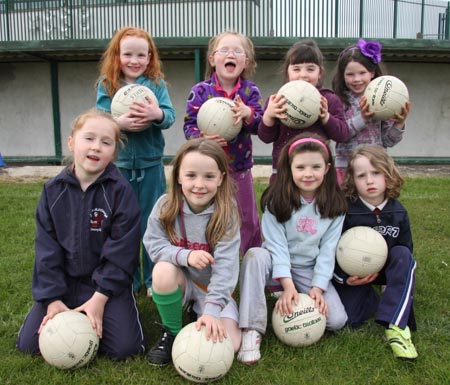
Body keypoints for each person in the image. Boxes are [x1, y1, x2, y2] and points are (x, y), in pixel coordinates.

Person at [16, 109, 145, 360]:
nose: (96, 147)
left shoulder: (120, 192)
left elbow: (123, 252)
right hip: (63, 284)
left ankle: (103, 308)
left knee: (124, 350)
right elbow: (46, 250)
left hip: (105, 287)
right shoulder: (52, 192)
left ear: (114, 152)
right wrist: (52, 298)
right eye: (89, 138)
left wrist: (100, 298)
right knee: (30, 346)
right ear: (72, 142)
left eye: (106, 142)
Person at [237, 134, 348, 364]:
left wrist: (318, 287)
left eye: (316, 167)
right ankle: (251, 329)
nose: (308, 173)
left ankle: (301, 293)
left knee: (336, 320)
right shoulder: (276, 200)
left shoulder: (335, 205)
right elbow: (276, 246)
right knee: (255, 255)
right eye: (301, 167)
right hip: (274, 263)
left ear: (327, 168)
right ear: (289, 167)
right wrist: (287, 285)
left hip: (307, 266)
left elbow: (328, 250)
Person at [143, 138, 242, 366]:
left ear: (221, 178)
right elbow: (153, 244)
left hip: (212, 288)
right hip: (182, 282)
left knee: (231, 344)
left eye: (209, 176)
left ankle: (200, 313)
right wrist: (185, 256)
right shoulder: (165, 206)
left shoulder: (227, 213)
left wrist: (212, 310)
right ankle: (173, 331)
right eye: (191, 176)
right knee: (162, 271)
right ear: (178, 176)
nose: (199, 184)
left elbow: (226, 268)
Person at [96, 26, 176, 297]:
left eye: (141, 55)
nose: (134, 60)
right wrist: (118, 123)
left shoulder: (156, 85)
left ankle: (155, 278)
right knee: (122, 224)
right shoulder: (107, 85)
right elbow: (100, 121)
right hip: (119, 168)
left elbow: (169, 116)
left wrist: (155, 113)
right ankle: (128, 278)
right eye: (127, 53)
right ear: (116, 55)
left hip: (151, 165)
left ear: (150, 57)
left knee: (152, 223)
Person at [333, 145, 418, 360]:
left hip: (385, 272)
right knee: (348, 320)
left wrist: (392, 281)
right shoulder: (346, 212)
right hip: (355, 274)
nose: (369, 181)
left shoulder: (398, 212)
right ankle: (371, 298)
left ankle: (395, 325)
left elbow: (406, 253)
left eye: (376, 173)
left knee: (402, 254)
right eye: (361, 175)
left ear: (388, 175)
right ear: (352, 180)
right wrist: (344, 279)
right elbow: (330, 250)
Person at [183, 31, 264, 256]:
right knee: (209, 217)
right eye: (224, 50)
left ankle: (252, 262)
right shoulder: (200, 91)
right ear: (212, 59)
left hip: (239, 169)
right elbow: (188, 126)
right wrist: (201, 137)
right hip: (207, 170)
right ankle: (207, 262)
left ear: (245, 61)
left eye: (238, 51)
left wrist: (248, 113)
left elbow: (261, 126)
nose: (231, 54)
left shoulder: (250, 91)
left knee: (247, 217)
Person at [258, 39, 349, 183]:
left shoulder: (328, 99)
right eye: (296, 69)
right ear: (287, 72)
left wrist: (326, 117)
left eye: (310, 69)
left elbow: (342, 134)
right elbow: (265, 137)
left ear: (320, 73)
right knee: (282, 205)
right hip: (284, 173)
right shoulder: (277, 100)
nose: (303, 75)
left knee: (320, 206)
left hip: (317, 175)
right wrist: (269, 116)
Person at [331, 39, 410, 185]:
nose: (357, 79)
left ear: (372, 72)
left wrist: (399, 123)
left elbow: (388, 141)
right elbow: (339, 134)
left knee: (373, 205)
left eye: (362, 73)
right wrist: (362, 118)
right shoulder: (338, 101)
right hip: (347, 168)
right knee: (346, 207)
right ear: (342, 75)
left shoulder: (383, 100)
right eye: (350, 74)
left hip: (376, 166)